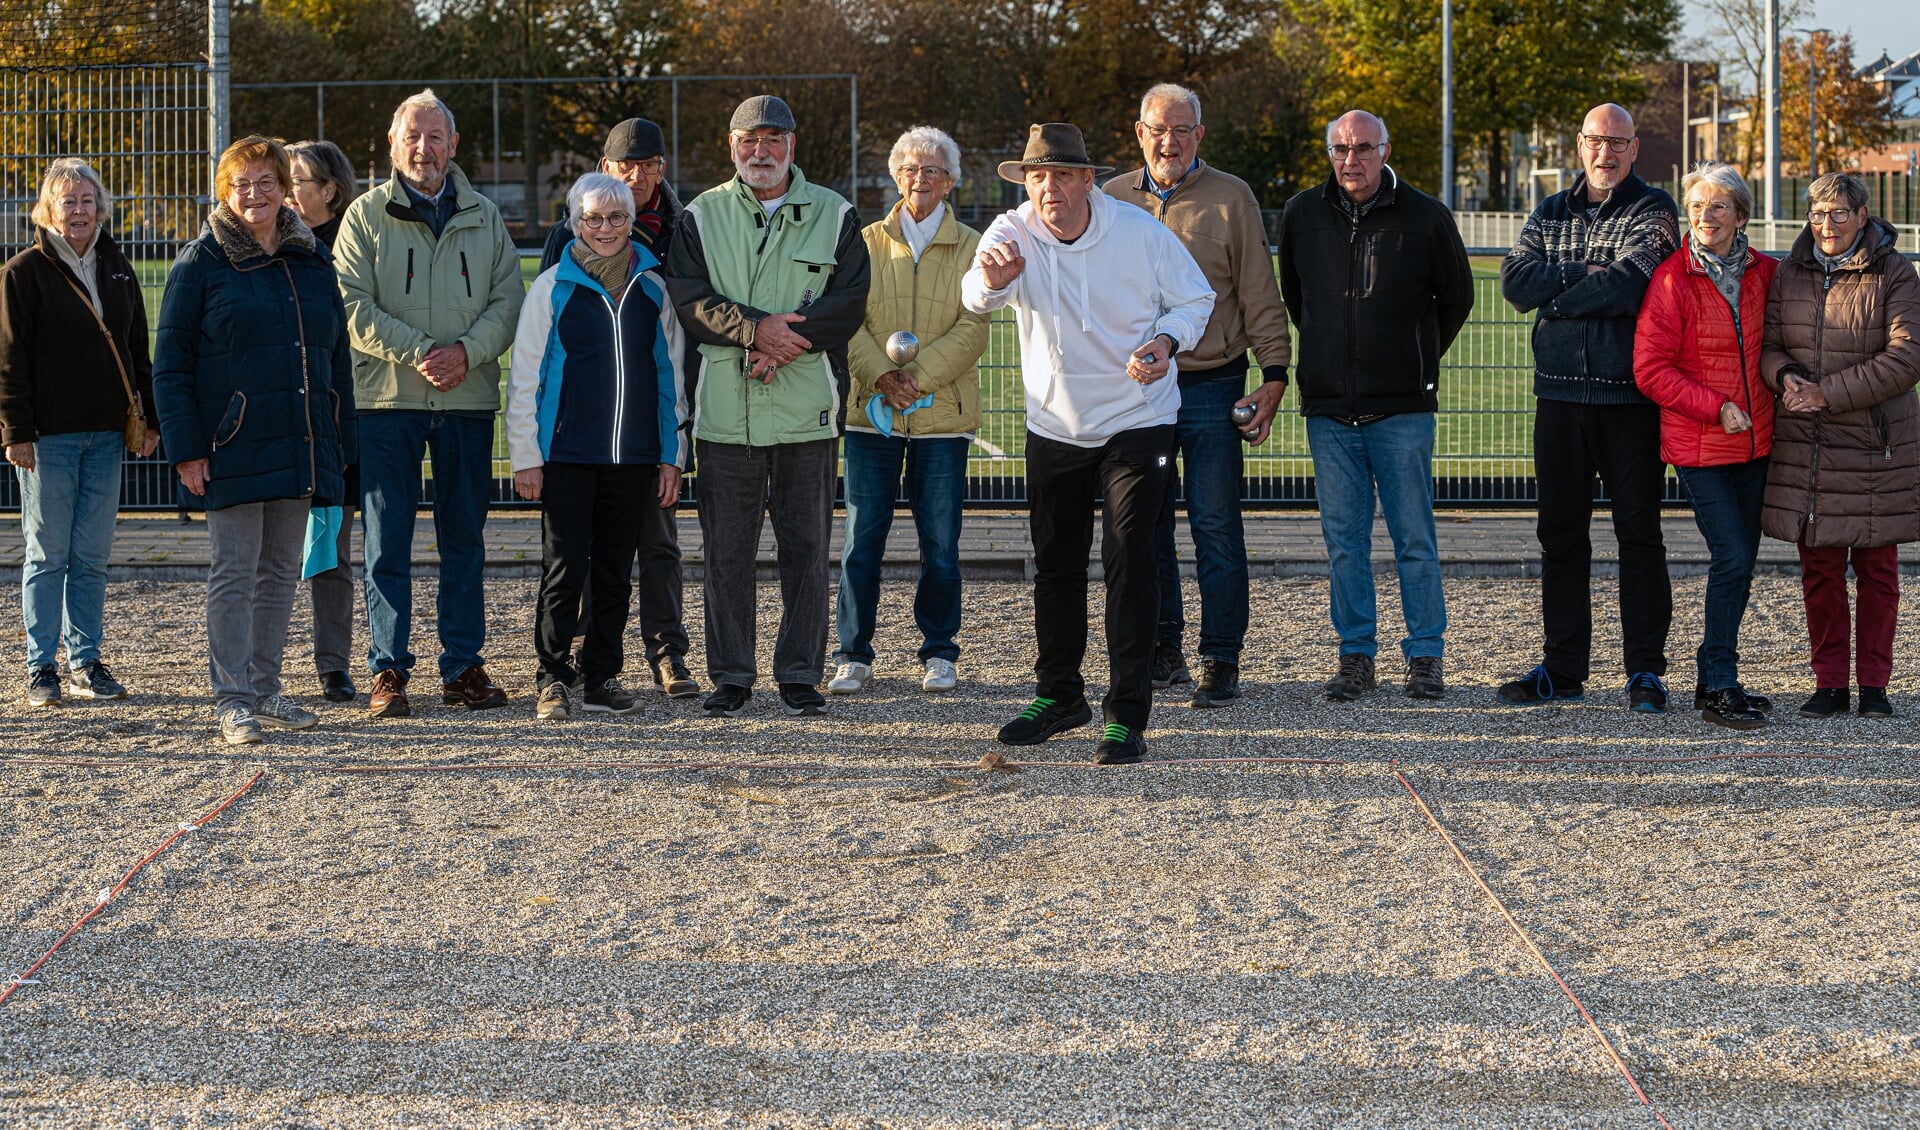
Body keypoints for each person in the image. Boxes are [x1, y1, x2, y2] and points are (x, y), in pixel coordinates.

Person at [962, 122, 1214, 763]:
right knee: (1057, 565)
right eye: (1037, 176)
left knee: (1130, 560)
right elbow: (975, 293)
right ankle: (1060, 695)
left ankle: (1127, 712)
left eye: (1061, 175)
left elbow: (1195, 298)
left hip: (1139, 417)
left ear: (1086, 180)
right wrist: (995, 281)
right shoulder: (1012, 229)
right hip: (1055, 424)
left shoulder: (1138, 232)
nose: (1048, 188)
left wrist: (1165, 343)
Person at [663, 94, 870, 718]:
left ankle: (800, 672)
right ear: (732, 147)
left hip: (807, 412)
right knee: (727, 552)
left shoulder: (835, 214)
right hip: (727, 414)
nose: (761, 151)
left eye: (772, 140)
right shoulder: (700, 216)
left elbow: (849, 301)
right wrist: (757, 329)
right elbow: (690, 298)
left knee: (807, 549)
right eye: (749, 140)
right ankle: (731, 674)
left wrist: (782, 342)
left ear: (792, 146)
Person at [151, 135, 356, 744]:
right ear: (225, 191)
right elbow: (170, 364)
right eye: (242, 183)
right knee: (235, 572)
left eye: (266, 181)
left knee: (279, 573)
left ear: (284, 189)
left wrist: (336, 437)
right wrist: (188, 449)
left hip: (299, 439)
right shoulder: (202, 260)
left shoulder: (311, 258)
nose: (255, 193)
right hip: (231, 445)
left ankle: (266, 689)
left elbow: (334, 356)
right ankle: (232, 697)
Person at [333, 89, 524, 719]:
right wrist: (422, 351)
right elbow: (353, 306)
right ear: (392, 145)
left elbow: (508, 302)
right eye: (412, 136)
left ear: (453, 145)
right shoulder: (363, 217)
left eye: (435, 136)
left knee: (464, 539)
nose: (424, 148)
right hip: (388, 401)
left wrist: (466, 352)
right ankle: (387, 670)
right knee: (387, 542)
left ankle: (463, 667)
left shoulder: (486, 217)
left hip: (467, 399)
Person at [1276, 110, 1473, 703]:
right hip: (1330, 411)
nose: (1351, 160)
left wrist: (1413, 357)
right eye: (1340, 149)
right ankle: (1356, 654)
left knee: (1414, 539)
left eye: (1363, 148)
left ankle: (1425, 656)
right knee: (1345, 542)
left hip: (1402, 410)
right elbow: (1295, 296)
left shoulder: (1425, 216)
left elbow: (1456, 297)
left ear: (1386, 151)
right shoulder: (1302, 215)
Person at [1106, 82, 1292, 708]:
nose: (1170, 141)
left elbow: (1261, 295)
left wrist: (1274, 372)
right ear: (1140, 132)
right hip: (1139, 390)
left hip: (1212, 383)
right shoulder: (1110, 199)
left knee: (1215, 524)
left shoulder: (1230, 197)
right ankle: (1164, 648)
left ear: (1199, 136)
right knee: (1146, 526)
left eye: (1183, 130)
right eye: (1159, 129)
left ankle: (1220, 655)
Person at [1499, 103, 1679, 711]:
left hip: (1629, 401)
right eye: (1596, 141)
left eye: (1618, 143)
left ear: (1634, 150)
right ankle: (1563, 667)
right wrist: (1584, 273)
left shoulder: (1655, 209)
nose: (1606, 153)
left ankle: (1645, 670)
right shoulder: (1550, 210)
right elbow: (1514, 282)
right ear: (1579, 145)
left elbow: (1632, 283)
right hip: (1558, 398)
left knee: (1639, 535)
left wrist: (1560, 293)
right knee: (1560, 537)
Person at [508, 172, 690, 721]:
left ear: (631, 223)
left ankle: (601, 677)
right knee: (565, 568)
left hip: (633, 457)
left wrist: (670, 454)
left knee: (615, 570)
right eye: (593, 218)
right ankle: (553, 677)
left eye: (616, 218)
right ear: (574, 223)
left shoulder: (653, 287)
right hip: (566, 455)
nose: (605, 228)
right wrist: (526, 455)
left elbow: (670, 378)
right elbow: (525, 377)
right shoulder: (552, 288)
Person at [827, 126, 989, 698]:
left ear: (951, 180)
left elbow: (974, 327)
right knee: (861, 539)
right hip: (872, 415)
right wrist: (884, 378)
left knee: (940, 543)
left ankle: (940, 652)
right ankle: (854, 653)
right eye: (912, 169)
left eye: (935, 170)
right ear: (897, 176)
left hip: (942, 418)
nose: (923, 179)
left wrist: (917, 378)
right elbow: (847, 318)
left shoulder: (972, 244)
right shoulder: (864, 240)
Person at [0, 157, 159, 707]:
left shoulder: (117, 265)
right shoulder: (22, 273)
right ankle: (40, 666)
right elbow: (9, 359)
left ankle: (85, 660)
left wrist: (150, 418)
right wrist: (16, 429)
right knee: (47, 554)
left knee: (91, 555)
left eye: (87, 199)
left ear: (101, 207)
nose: (79, 209)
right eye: (68, 200)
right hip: (48, 437)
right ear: (48, 209)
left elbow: (137, 347)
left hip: (106, 434)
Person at [1760, 172, 1920, 719]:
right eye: (1818, 214)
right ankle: (1829, 683)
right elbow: (1771, 346)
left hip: (1876, 449)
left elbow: (1906, 359)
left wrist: (1826, 394)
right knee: (1820, 571)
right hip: (1811, 447)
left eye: (1839, 215)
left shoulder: (1895, 272)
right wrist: (1786, 381)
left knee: (1878, 572)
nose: (1827, 226)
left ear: (1864, 216)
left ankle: (1874, 685)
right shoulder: (1790, 271)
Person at [1632, 162, 1779, 730]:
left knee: (1742, 562)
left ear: (1741, 215)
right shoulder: (1672, 279)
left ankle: (1716, 678)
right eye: (1696, 206)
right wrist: (1714, 406)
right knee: (1734, 556)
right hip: (1700, 446)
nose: (1705, 216)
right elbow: (1649, 369)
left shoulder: (1767, 272)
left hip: (1758, 442)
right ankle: (1717, 679)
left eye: (1718, 206)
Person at [286, 138, 361, 702]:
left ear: (330, 191)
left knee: (332, 545)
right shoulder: (265, 244)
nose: (283, 195)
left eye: (295, 184)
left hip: (336, 423)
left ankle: (332, 663)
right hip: (278, 419)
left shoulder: (353, 248)